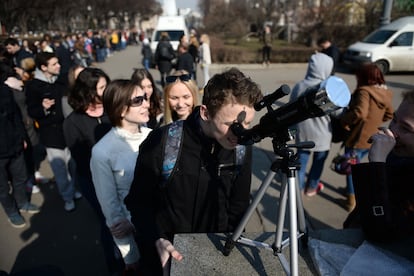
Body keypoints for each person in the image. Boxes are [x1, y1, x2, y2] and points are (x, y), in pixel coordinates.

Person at [124, 67, 263, 275]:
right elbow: (138, 203)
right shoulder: (163, 141)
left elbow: (239, 206)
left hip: (217, 253)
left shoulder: (240, 146)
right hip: (168, 254)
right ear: (205, 112)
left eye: (247, 123)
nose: (240, 133)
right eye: (231, 124)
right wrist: (157, 238)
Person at [63, 68, 124, 274]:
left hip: (122, 176)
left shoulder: (113, 109)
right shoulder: (72, 122)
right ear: (88, 91)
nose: (107, 90)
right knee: (110, 223)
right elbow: (83, 161)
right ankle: (115, 265)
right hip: (94, 182)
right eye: (101, 87)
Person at [90, 80, 152, 274]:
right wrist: (130, 255)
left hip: (163, 229)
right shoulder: (102, 152)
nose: (147, 104)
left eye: (146, 98)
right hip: (138, 238)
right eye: (138, 100)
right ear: (121, 109)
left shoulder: (154, 136)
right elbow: (112, 212)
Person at [345, 90, 414, 240]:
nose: (393, 131)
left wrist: (377, 165)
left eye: (406, 128)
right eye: (394, 120)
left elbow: (379, 230)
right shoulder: (397, 155)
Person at [25, 52, 81, 212]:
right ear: (43, 67)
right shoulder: (33, 86)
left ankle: (74, 189)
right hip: (51, 135)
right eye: (54, 64)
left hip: (68, 132)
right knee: (59, 169)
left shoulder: (61, 80)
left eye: (58, 62)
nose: (59, 66)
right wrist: (43, 107)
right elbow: (32, 110)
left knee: (73, 166)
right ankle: (67, 197)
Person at [340, 63, 394, 212]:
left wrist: (344, 120)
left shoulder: (364, 92)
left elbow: (360, 113)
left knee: (351, 167)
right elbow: (390, 114)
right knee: (357, 165)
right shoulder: (386, 93)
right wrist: (374, 122)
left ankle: (352, 198)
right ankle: (350, 191)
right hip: (373, 137)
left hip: (357, 139)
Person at [0, 61, 40, 228]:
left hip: (14, 143)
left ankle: (22, 202)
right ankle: (12, 212)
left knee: (21, 177)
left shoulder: (4, 89)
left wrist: (22, 138)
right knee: (2, 188)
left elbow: (15, 116)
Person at [289, 52, 333, 196]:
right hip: (323, 134)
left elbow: (291, 107)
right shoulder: (328, 88)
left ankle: (298, 190)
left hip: (304, 132)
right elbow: (338, 113)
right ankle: (312, 188)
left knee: (300, 164)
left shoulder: (300, 86)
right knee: (318, 163)